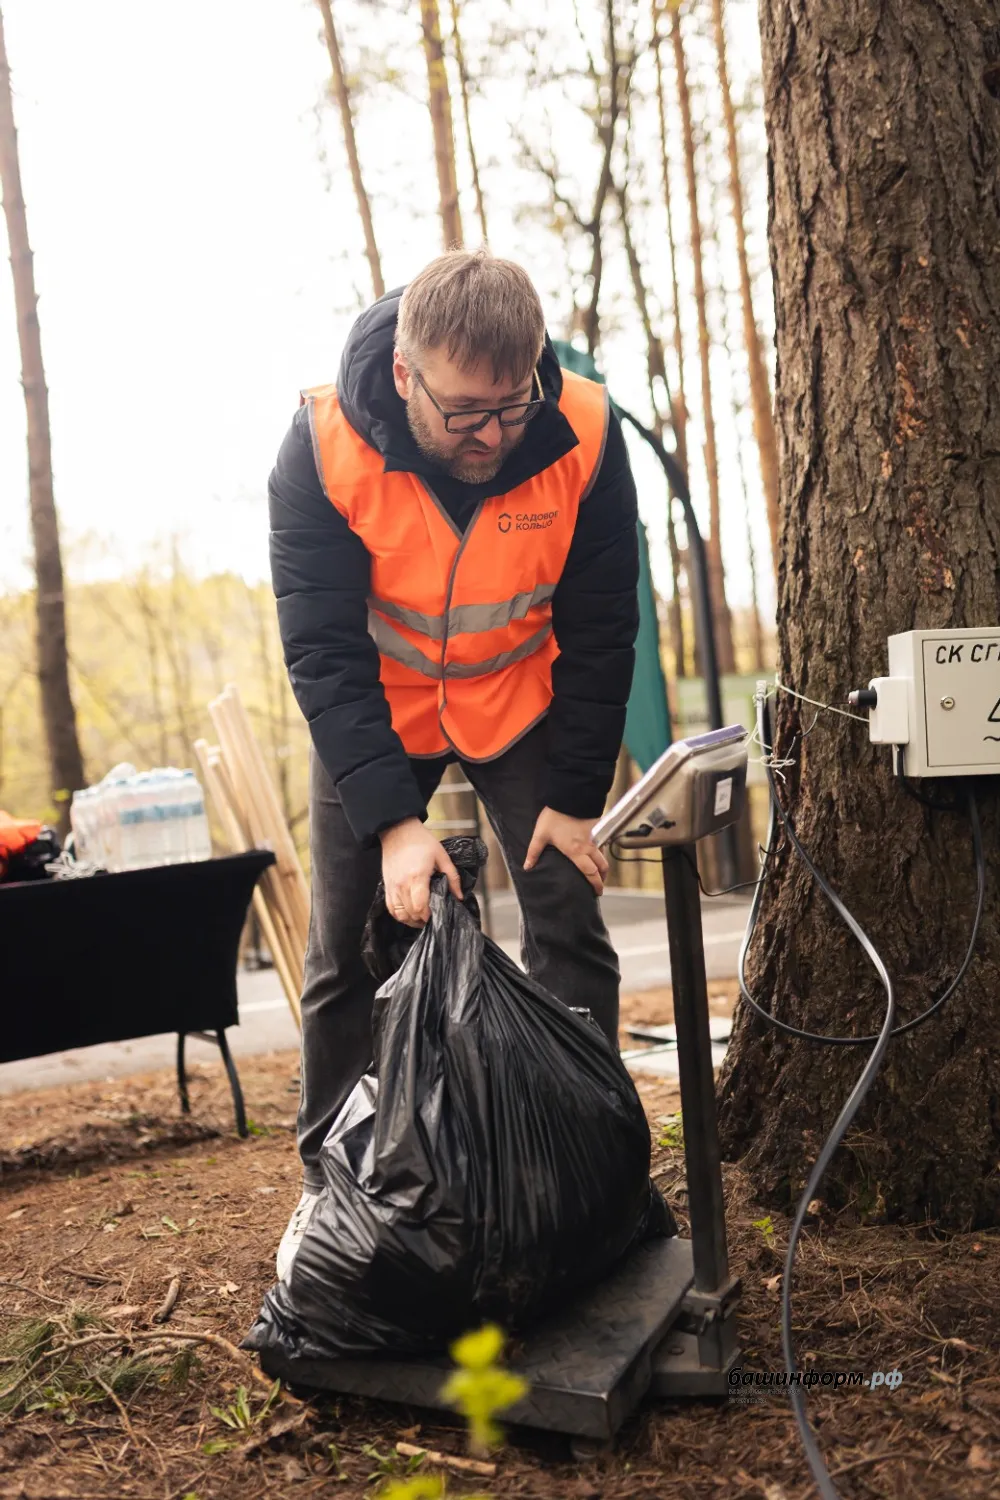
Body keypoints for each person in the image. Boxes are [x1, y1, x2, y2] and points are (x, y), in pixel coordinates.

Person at [269, 249, 640, 1279]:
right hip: (377, 708)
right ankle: (330, 1200)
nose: (489, 437)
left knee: (568, 926)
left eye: (509, 409)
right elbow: (324, 655)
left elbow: (605, 627)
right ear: (403, 374)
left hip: (518, 697)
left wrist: (572, 799)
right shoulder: (321, 444)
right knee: (345, 955)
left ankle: (584, 1165)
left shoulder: (585, 432)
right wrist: (391, 821)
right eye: (465, 415)